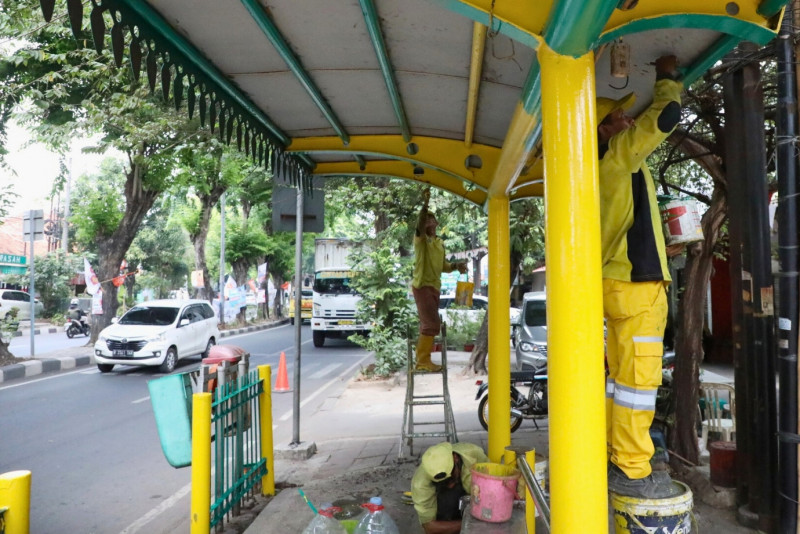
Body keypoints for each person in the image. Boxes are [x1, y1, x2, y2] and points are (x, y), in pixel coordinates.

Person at [598, 54, 684, 499]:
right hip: (637, 290)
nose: (628, 120)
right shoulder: (618, 156)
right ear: (602, 130)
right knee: (638, 382)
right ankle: (632, 469)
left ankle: (615, 455)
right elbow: (666, 117)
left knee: (619, 381)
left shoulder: (593, 169)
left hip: (617, 281)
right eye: (618, 117)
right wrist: (668, 78)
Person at [412, 189, 468, 372]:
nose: (429, 222)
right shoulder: (420, 240)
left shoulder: (439, 242)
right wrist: (425, 203)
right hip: (422, 285)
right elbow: (419, 224)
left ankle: (423, 359)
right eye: (426, 219)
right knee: (431, 324)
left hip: (435, 287)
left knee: (431, 325)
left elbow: (443, 266)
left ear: (436, 223)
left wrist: (456, 266)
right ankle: (422, 361)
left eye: (432, 219)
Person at [411, 441, 489, 534]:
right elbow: (429, 527)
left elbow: (493, 481)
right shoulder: (420, 484)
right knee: (449, 498)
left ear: (455, 458)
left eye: (451, 478)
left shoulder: (473, 454)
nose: (450, 485)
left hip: (475, 498)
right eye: (443, 483)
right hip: (448, 513)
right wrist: (469, 524)